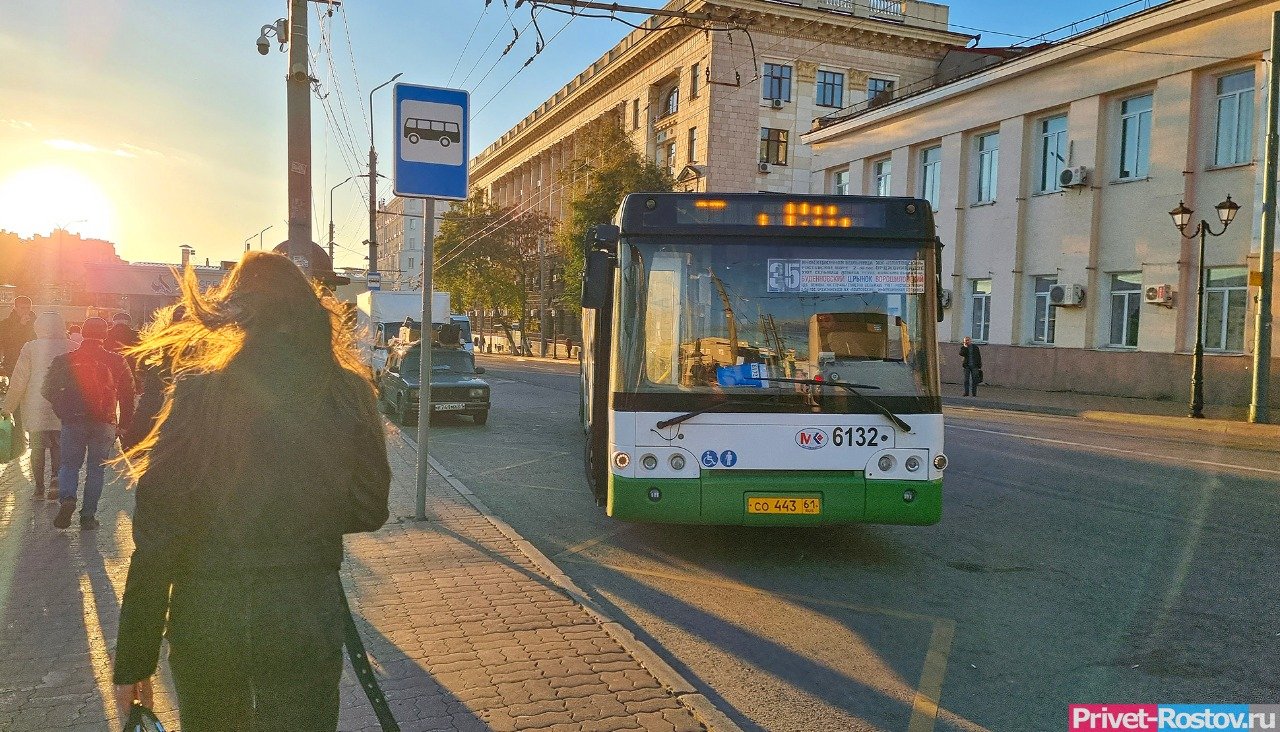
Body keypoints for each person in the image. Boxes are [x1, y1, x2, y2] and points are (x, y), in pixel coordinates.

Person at [112, 252, 391, 731]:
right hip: (302, 611)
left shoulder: (198, 392)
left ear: (236, 314)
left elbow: (157, 534)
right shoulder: (347, 391)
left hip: (207, 614)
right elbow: (370, 508)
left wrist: (134, 660)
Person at [42, 317, 136, 529]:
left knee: (69, 465)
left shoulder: (64, 360)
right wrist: (123, 424)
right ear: (105, 335)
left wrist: (62, 410)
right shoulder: (117, 360)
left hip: (72, 421)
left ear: (83, 333)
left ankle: (67, 499)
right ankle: (88, 517)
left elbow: (46, 389)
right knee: (96, 469)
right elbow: (128, 395)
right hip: (104, 422)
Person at [1, 312, 74, 499]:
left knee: (37, 447)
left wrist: (8, 407)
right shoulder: (72, 346)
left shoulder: (31, 348)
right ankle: (55, 479)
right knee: (58, 446)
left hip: (36, 404)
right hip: (64, 405)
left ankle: (39, 488)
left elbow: (19, 380)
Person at [0, 295, 37, 380]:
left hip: (32, 361)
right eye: (22, 308)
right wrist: (21, 325)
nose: (25, 311)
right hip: (13, 362)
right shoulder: (5, 324)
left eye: (28, 308)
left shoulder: (36, 324)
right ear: (15, 308)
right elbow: (6, 341)